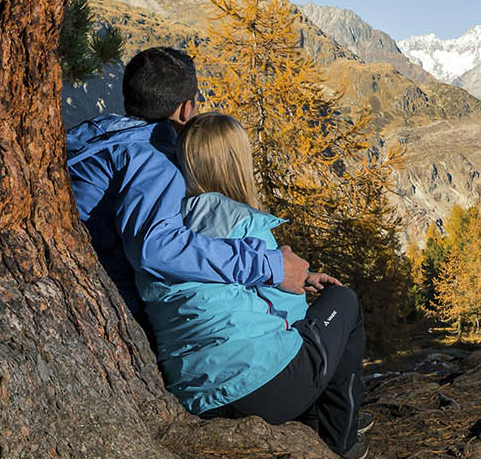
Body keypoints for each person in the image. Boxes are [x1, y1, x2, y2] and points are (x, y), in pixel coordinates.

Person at [141, 112, 369, 459]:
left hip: (199, 398)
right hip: (261, 391)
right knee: (343, 300)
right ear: (236, 165)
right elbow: (292, 316)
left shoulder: (163, 234)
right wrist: (303, 285)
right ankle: (341, 442)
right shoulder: (241, 219)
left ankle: (315, 418)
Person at [66, 47, 311, 343]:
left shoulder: (99, 131)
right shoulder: (154, 164)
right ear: (186, 109)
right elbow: (157, 248)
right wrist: (269, 265)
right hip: (114, 303)